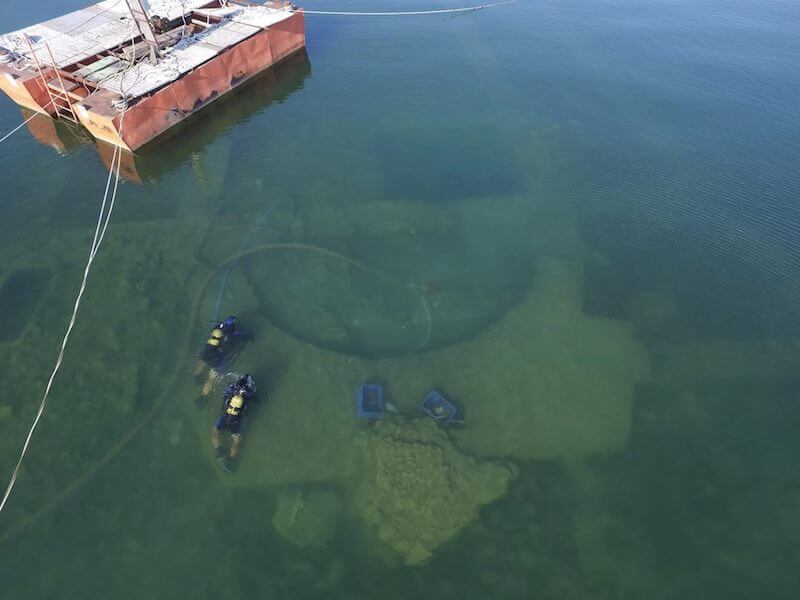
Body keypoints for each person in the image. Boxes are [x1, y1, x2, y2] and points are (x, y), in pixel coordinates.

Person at [195, 316, 249, 399]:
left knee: (202, 362)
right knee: (212, 379)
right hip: (217, 360)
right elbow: (246, 337)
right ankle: (202, 398)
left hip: (206, 353)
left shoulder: (217, 328)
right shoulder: (234, 334)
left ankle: (197, 376)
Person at [212, 374, 257, 472]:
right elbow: (252, 396)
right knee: (235, 442)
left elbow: (226, 392)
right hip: (237, 421)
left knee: (215, 432)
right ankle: (230, 462)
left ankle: (219, 450)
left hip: (225, 417)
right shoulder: (248, 393)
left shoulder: (231, 388)